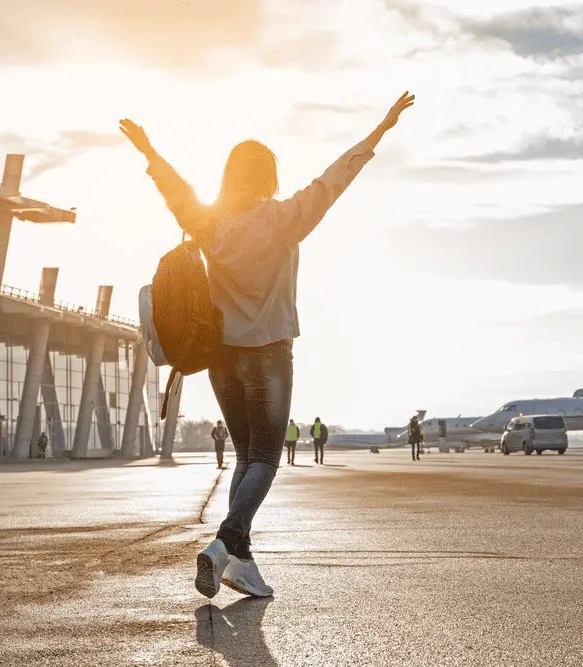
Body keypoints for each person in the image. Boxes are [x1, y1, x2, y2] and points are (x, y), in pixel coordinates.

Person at [121, 91, 414, 600]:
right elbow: (335, 179)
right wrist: (380, 131)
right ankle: (224, 544)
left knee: (243, 457)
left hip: (222, 360)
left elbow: (175, 190)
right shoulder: (286, 218)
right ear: (268, 177)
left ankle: (242, 566)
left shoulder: (208, 222)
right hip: (270, 354)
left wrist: (148, 151)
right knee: (265, 459)